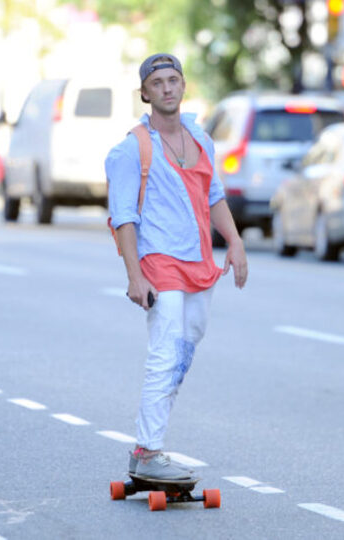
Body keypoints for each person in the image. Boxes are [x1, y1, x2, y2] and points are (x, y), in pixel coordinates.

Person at [105, 53, 248, 480]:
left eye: (173, 80)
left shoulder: (200, 139)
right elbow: (123, 216)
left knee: (184, 349)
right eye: (158, 83)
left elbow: (213, 195)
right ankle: (149, 450)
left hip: (198, 261)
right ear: (144, 94)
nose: (167, 88)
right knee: (165, 351)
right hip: (158, 261)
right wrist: (135, 276)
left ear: (183, 86)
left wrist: (235, 242)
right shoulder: (131, 149)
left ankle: (148, 444)